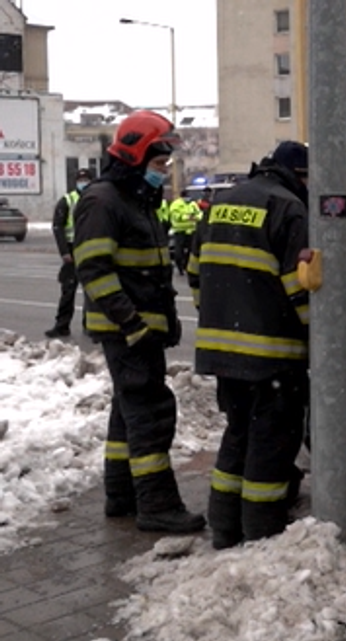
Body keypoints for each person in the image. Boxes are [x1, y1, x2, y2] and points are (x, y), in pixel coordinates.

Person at [72, 110, 205, 533]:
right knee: (150, 413)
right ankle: (157, 504)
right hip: (127, 331)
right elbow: (93, 269)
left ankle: (122, 495)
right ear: (134, 156)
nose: (164, 173)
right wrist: (131, 323)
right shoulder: (103, 200)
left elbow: (151, 269)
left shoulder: (135, 200)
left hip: (139, 328)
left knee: (127, 412)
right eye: (159, 165)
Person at [187, 141, 310, 549]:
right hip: (273, 357)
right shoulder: (288, 207)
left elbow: (194, 273)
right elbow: (300, 290)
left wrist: (220, 319)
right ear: (301, 174)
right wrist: (323, 339)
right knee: (270, 446)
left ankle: (224, 529)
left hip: (223, 353)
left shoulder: (223, 201)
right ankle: (261, 533)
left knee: (237, 435)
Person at [45, 168, 93, 338]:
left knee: (93, 292)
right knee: (68, 292)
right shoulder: (67, 201)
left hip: (91, 250)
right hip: (72, 252)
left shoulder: (97, 200)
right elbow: (58, 227)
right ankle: (62, 325)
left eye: (87, 180)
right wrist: (64, 252)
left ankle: (91, 326)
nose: (83, 183)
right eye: (81, 180)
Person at [169, 191, 202, 275]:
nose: (188, 198)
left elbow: (200, 214)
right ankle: (180, 266)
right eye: (186, 197)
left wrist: (195, 217)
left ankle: (186, 266)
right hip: (180, 231)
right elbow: (176, 216)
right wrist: (189, 217)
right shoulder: (176, 204)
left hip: (191, 231)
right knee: (178, 252)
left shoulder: (193, 204)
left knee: (191, 251)